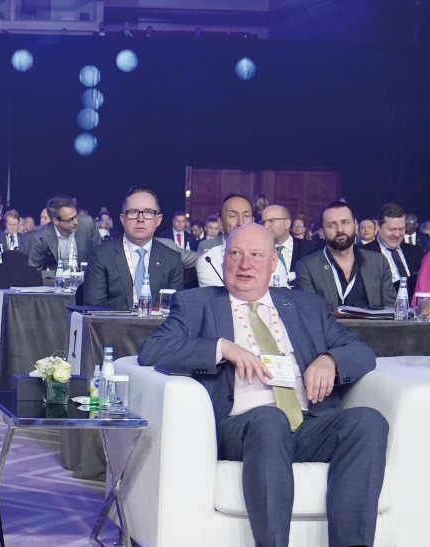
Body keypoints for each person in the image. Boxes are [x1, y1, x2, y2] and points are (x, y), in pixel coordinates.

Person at [138, 223, 387, 547]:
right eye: (236, 254)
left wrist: (330, 360)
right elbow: (151, 350)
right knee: (271, 420)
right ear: (223, 259)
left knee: (368, 421)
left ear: (273, 264)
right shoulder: (195, 304)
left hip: (308, 423)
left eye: (256, 255)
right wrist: (221, 347)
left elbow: (362, 351)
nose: (245, 264)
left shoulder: (305, 306)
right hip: (242, 425)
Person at [83, 186, 184, 309]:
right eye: (133, 212)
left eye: (148, 212)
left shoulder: (172, 259)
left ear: (158, 220)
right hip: (112, 327)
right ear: (122, 219)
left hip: (159, 328)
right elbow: (94, 310)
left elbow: (175, 311)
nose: (140, 219)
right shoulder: (101, 255)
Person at [296, 201, 394, 311]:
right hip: (329, 327)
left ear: (355, 225)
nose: (340, 229)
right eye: (331, 225)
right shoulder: (307, 267)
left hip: (372, 328)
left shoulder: (378, 262)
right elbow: (309, 315)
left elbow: (391, 311)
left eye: (345, 222)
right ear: (322, 232)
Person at [26, 195, 101, 272]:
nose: (75, 222)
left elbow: (99, 259)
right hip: (55, 280)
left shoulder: (88, 224)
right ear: (56, 221)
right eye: (70, 220)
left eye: (75, 216)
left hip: (85, 278)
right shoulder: (42, 237)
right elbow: (34, 272)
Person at [360, 203, 423, 292]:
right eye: (392, 229)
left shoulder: (416, 252)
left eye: (401, 229)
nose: (397, 235)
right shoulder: (363, 253)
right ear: (378, 226)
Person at [197, 194, 255, 286]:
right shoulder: (209, 259)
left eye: (246, 215)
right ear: (220, 223)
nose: (241, 222)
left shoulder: (267, 255)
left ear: (253, 221)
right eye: (233, 216)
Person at [261, 204, 318, 287]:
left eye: (271, 221)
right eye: (263, 222)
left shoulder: (308, 249)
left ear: (287, 223)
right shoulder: (258, 251)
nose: (265, 226)